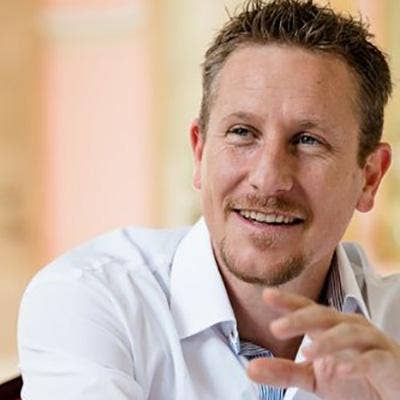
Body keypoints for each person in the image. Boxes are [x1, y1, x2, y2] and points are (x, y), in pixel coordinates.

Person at [18, 0, 400, 399]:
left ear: (370, 177)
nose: (268, 179)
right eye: (242, 132)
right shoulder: (90, 298)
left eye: (308, 140)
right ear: (199, 153)